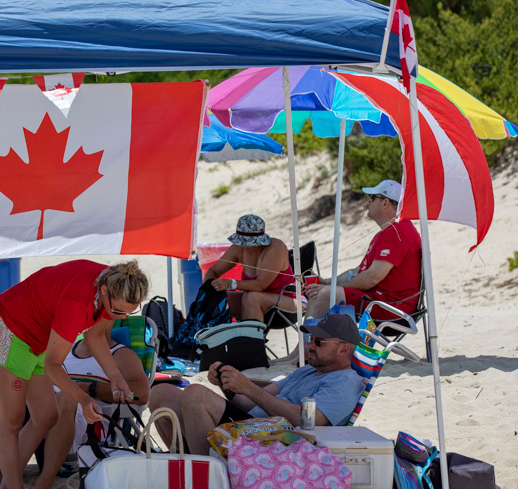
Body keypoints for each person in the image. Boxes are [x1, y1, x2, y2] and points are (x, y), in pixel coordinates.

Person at [0, 259, 149, 489]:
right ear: (103, 291)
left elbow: (95, 335)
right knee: (10, 422)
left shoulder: (116, 280)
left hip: (37, 335)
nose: (120, 318)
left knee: (46, 416)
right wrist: (82, 398)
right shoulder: (77, 303)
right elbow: (53, 366)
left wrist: (115, 377)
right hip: (7, 328)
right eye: (118, 311)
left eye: (128, 312)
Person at [149, 314, 364, 455]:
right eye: (310, 339)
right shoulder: (308, 370)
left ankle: (209, 478)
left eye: (318, 342)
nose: (310, 346)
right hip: (254, 424)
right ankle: (186, 463)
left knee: (195, 395)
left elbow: (308, 421)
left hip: (275, 439)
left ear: (344, 349)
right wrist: (230, 384)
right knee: (161, 393)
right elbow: (253, 402)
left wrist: (249, 388)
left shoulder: (344, 382)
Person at [32, 330, 149, 489]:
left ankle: (44, 483)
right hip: (45, 418)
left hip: (90, 426)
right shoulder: (65, 350)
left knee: (67, 397)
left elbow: (141, 394)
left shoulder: (121, 355)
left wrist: (86, 388)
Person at [303, 180, 422, 321]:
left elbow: (372, 278)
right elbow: (358, 271)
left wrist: (336, 288)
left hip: (392, 307)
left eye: (372, 198)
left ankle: (311, 342)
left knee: (325, 294)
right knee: (318, 292)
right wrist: (327, 282)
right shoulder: (388, 232)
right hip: (381, 300)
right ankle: (312, 342)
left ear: (385, 203)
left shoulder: (397, 231)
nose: (368, 202)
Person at [203, 214, 297, 322]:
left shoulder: (276, 248)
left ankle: (251, 338)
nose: (246, 246)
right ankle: (223, 337)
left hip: (289, 300)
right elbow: (213, 271)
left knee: (251, 297)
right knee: (217, 298)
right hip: (252, 302)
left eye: (251, 242)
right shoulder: (239, 248)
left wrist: (229, 283)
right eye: (243, 242)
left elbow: (260, 285)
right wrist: (207, 290)